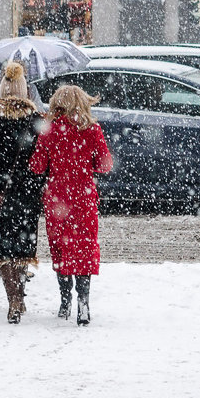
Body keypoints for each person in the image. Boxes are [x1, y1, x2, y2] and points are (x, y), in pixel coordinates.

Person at [28, 84, 113, 325]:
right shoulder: (92, 130)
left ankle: (65, 301)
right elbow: (105, 165)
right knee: (84, 248)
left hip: (57, 199)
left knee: (61, 247)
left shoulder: (50, 130)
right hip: (84, 198)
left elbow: (36, 166)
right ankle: (83, 302)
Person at [0, 61, 46, 324]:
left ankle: (13, 297)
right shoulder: (37, 121)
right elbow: (43, 160)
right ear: (25, 91)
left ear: (2, 90)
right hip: (27, 194)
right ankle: (21, 293)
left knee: (2, 249)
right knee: (23, 247)